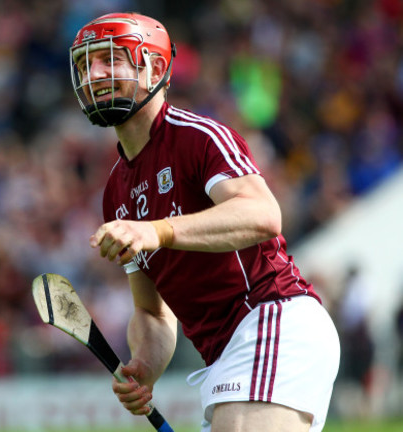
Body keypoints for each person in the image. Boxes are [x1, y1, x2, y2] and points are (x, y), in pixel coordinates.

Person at [70, 12, 340, 432]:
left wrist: (156, 230)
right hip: (225, 354)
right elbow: (152, 313)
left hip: (270, 319)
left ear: (155, 68)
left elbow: (263, 214)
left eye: (110, 60)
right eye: (86, 65)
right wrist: (144, 364)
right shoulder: (115, 192)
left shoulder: (199, 137)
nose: (95, 74)